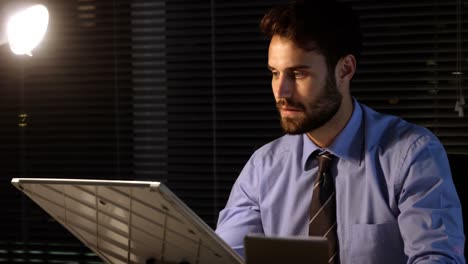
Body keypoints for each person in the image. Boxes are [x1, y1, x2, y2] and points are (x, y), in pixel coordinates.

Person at [215, 1, 466, 263]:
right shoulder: (263, 167)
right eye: (275, 73)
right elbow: (223, 257)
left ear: (345, 69)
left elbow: (438, 258)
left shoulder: (411, 154)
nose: (281, 92)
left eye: (298, 74)